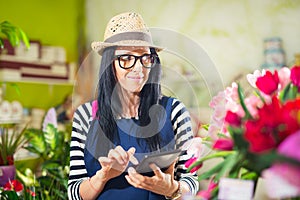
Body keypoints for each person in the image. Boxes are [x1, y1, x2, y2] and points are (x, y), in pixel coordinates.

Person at [68, 12, 199, 200]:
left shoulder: (175, 112)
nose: (138, 68)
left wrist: (172, 189)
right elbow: (74, 193)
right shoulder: (85, 115)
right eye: (126, 58)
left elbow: (191, 182)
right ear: (109, 64)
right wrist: (102, 176)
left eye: (145, 58)